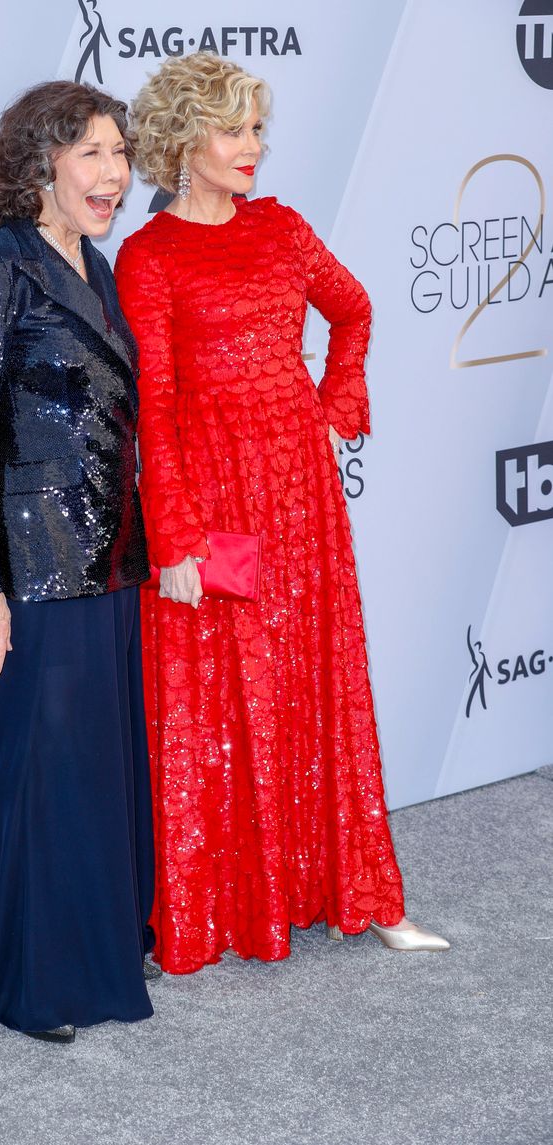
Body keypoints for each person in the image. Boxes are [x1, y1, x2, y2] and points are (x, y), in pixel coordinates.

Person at [114, 53, 449, 975]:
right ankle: (226, 907)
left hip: (300, 498)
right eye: (234, 130)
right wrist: (174, 536)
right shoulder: (147, 258)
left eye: (258, 129)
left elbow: (353, 309)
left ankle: (356, 892)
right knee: (224, 692)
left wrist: (334, 408)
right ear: (185, 143)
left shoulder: (283, 229)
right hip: (216, 504)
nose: (253, 147)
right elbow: (154, 406)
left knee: (314, 678)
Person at [0, 80, 158, 1042]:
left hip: (108, 562)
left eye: (120, 154)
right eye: (94, 154)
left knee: (99, 774)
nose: (115, 173)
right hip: (31, 570)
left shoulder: (95, 263)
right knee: (44, 774)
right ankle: (41, 985)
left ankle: (105, 948)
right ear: (42, 163)